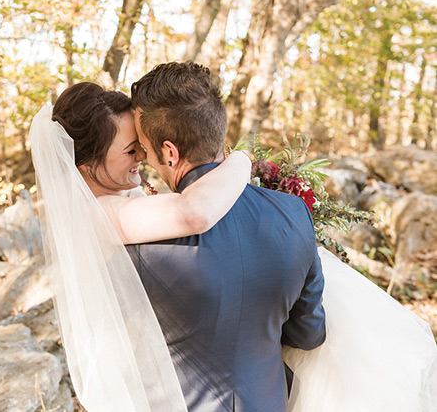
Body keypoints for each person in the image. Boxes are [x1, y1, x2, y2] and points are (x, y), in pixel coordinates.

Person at [128, 61, 437, 412]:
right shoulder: (292, 213)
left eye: (143, 147)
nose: (142, 157)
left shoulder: (142, 235)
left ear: (169, 152)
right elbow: (309, 335)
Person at [30, 81, 252, 412]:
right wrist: (243, 162)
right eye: (131, 150)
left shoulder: (120, 195)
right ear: (87, 164)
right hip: (151, 380)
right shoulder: (97, 217)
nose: (144, 157)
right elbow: (194, 212)